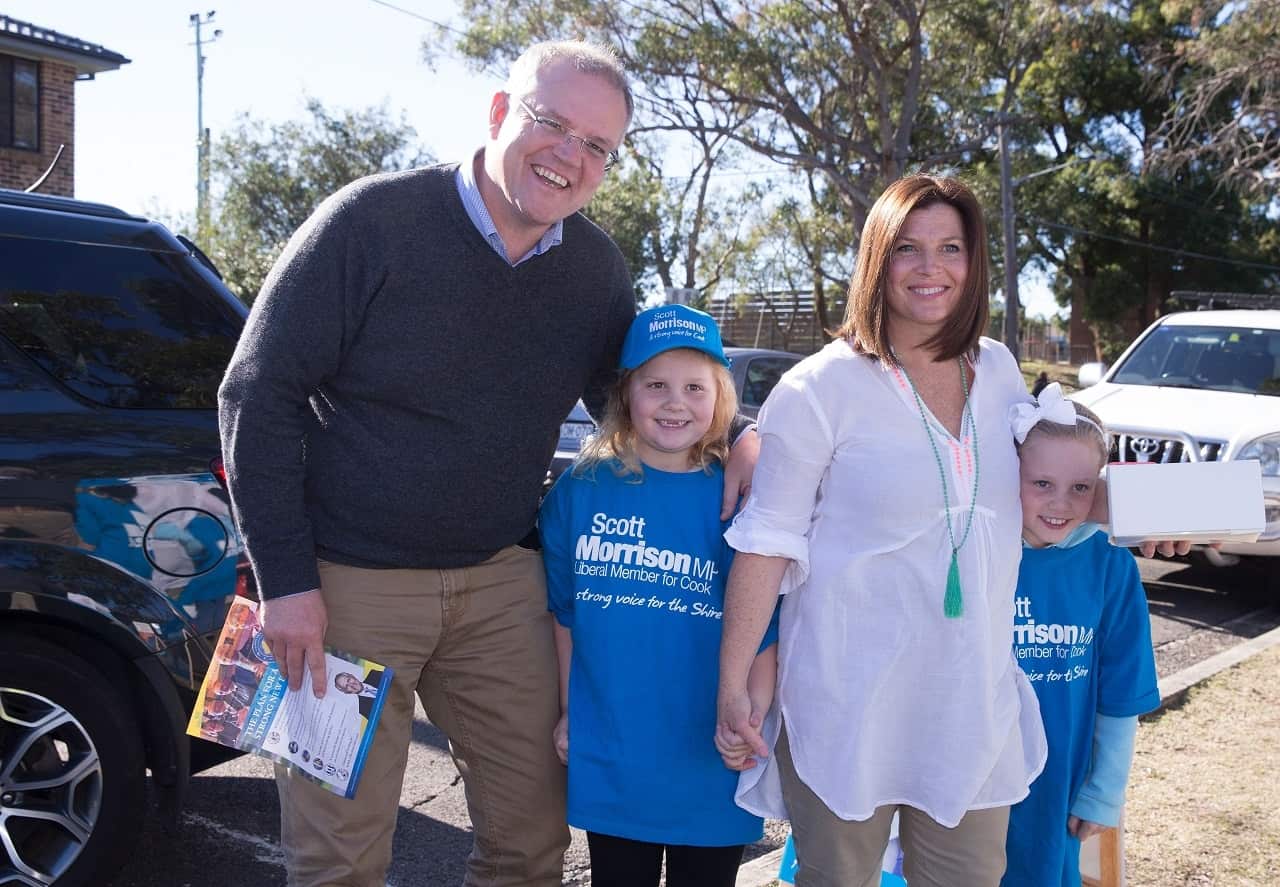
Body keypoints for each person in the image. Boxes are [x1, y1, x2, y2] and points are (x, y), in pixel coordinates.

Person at [217, 40, 757, 887]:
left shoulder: (593, 271)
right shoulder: (369, 222)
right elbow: (255, 392)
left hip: (502, 582)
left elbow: (652, 401)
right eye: (553, 124)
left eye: (597, 146)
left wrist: (743, 437)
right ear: (501, 113)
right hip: (343, 585)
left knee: (533, 844)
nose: (570, 156)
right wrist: (285, 582)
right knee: (337, 860)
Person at [715, 173, 1188, 887]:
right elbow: (766, 541)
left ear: (974, 263)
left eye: (950, 247)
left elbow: (1049, 484)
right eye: (907, 247)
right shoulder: (819, 388)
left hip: (967, 705)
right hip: (849, 704)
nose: (930, 268)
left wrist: (1161, 513)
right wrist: (733, 678)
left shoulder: (997, 369)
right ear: (877, 259)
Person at [538, 304, 777, 887]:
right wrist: (571, 711)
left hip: (710, 754)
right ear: (626, 393)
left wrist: (751, 716)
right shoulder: (581, 488)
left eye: (695, 386)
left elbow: (766, 625)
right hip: (615, 750)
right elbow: (565, 616)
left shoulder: (740, 495)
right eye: (656, 385)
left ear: (721, 397)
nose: (676, 402)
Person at [1002, 386, 1159, 887]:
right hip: (969, 775)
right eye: (1042, 482)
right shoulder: (978, 554)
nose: (1060, 503)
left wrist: (1104, 793)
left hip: (1056, 785)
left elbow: (1122, 696)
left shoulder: (1110, 567)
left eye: (1080, 487)